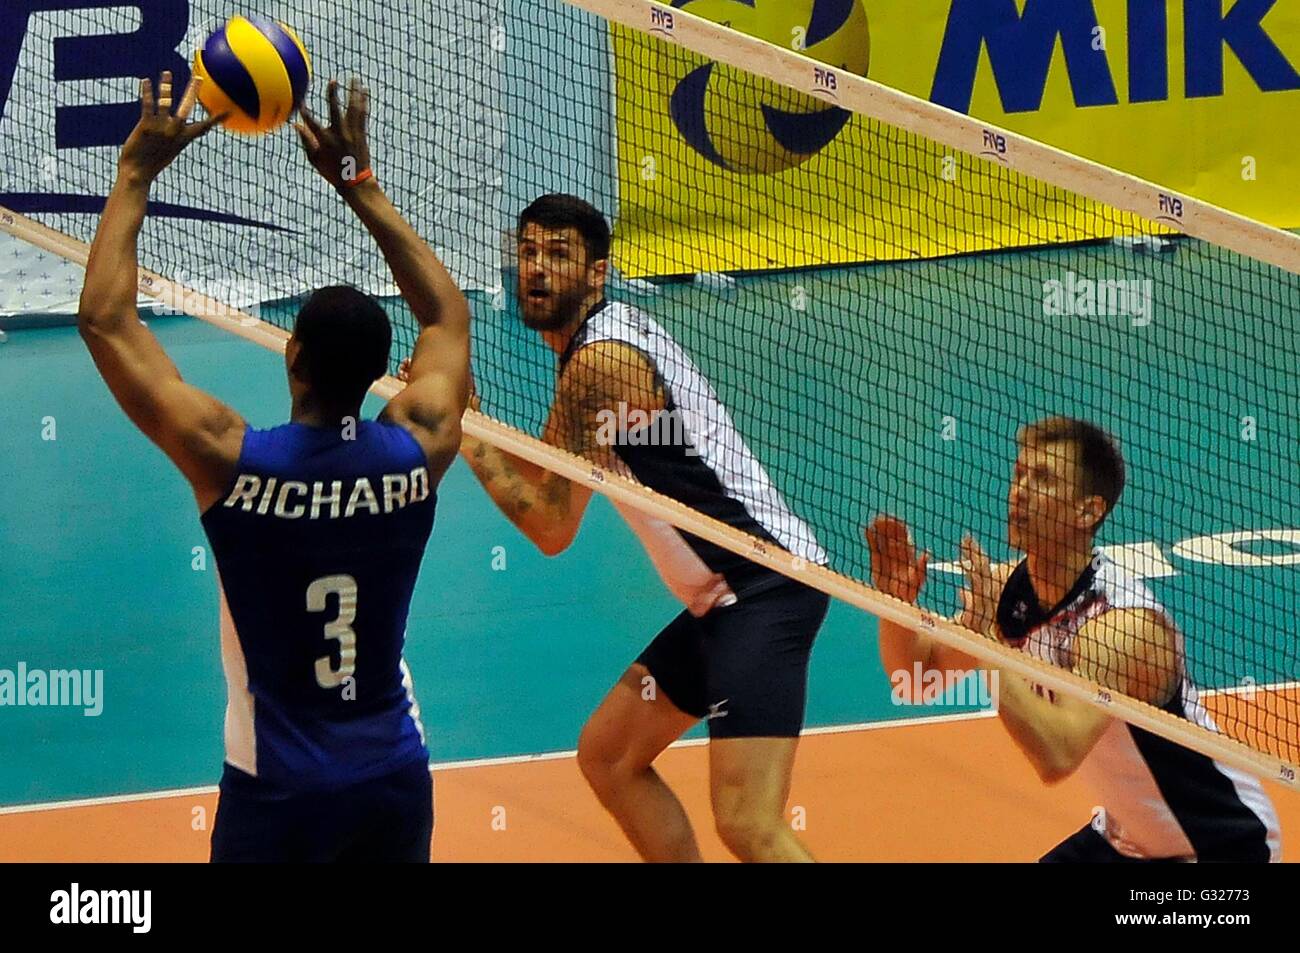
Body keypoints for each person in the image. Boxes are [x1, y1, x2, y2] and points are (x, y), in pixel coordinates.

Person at [78, 72, 470, 861]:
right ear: (383, 373)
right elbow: (447, 315)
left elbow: (104, 319)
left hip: (277, 791)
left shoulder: (230, 459)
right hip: (391, 774)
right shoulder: (419, 446)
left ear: (292, 356)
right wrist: (360, 184)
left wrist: (134, 174)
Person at [451, 194, 830, 861]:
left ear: (597, 274)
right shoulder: (597, 345)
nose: (536, 269)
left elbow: (550, 524)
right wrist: (478, 421)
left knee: (747, 821)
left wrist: (465, 436)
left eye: (558, 255)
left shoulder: (600, 365)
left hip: (764, 584)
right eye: (528, 251)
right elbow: (556, 464)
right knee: (610, 754)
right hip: (722, 596)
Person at [866, 416, 1280, 861]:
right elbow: (917, 678)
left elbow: (1056, 756)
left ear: (1088, 511)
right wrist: (898, 609)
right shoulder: (1009, 592)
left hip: (1221, 846)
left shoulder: (1122, 628)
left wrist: (986, 642)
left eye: (1042, 479)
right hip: (1129, 841)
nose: (1019, 491)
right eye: (1019, 474)